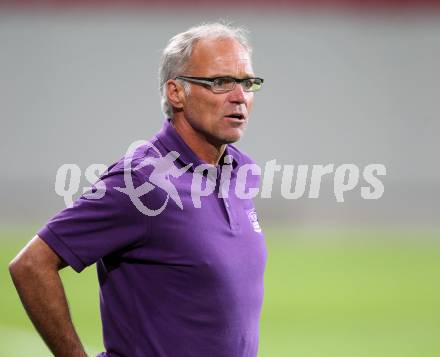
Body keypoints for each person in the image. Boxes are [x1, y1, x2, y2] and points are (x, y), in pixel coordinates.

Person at [9, 22, 266, 357]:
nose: (239, 97)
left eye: (247, 82)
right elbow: (31, 265)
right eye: (220, 82)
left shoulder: (241, 170)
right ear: (176, 92)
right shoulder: (142, 180)